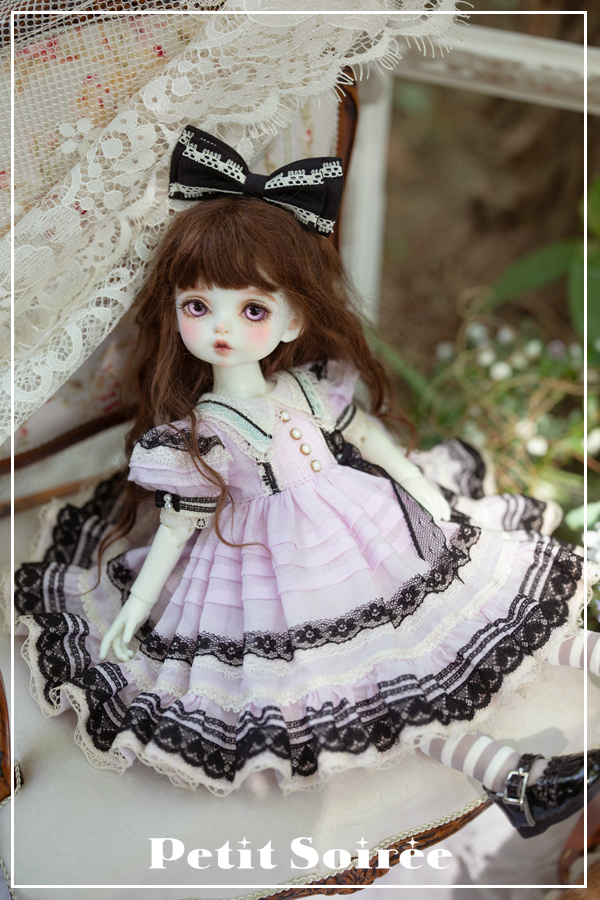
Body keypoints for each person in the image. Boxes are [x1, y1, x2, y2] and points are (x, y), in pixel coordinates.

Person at [15, 128, 600, 838]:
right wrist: (139, 603)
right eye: (198, 306)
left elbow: (370, 438)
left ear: (292, 320)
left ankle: (584, 663)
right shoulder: (201, 432)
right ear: (175, 311)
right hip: (273, 570)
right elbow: (177, 523)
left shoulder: (308, 386)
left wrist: (424, 489)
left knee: (472, 603)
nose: (222, 328)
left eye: (252, 310)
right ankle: (514, 779)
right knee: (363, 690)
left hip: (363, 524)